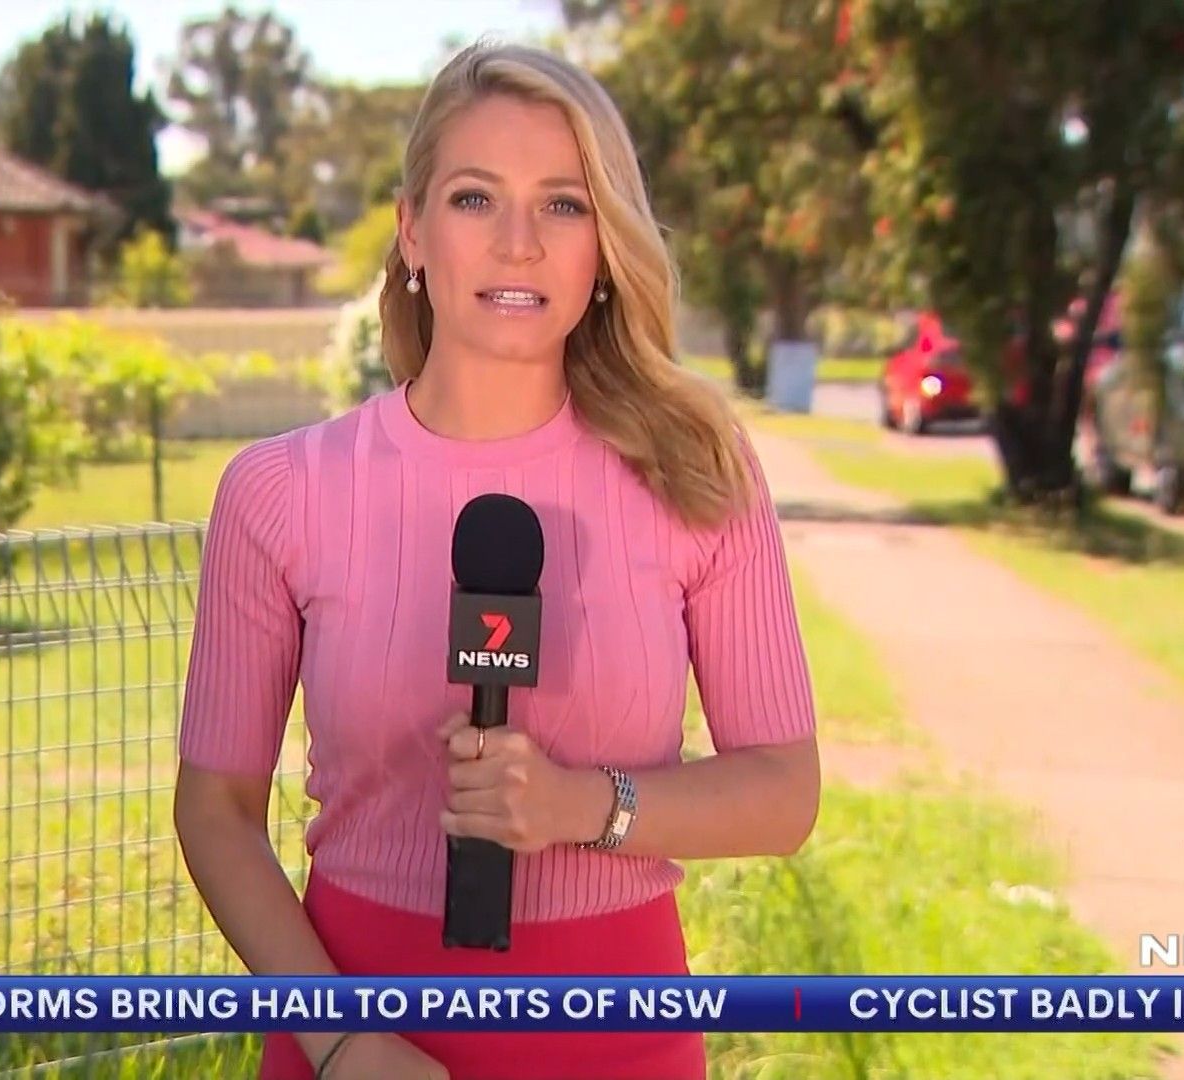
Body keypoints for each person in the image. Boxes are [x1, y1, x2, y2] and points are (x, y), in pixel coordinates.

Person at [173, 40, 821, 1080]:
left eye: (563, 205)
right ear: (412, 231)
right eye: (476, 199)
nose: (519, 244)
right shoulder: (280, 492)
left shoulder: (695, 469)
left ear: (604, 245)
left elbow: (784, 794)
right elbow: (215, 813)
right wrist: (341, 1042)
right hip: (359, 1042)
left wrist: (583, 806)